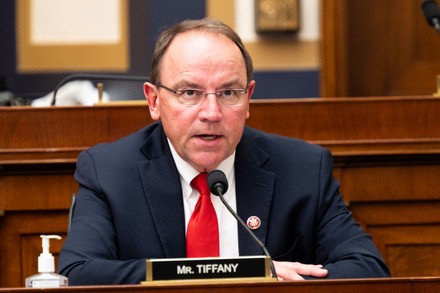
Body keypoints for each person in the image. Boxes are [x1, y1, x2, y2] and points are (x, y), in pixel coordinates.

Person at [58, 17, 390, 285]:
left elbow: (368, 269)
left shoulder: (303, 170)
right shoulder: (109, 172)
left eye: (229, 92)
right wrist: (243, 273)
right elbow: (78, 274)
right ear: (154, 101)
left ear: (248, 99)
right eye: (190, 92)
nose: (212, 113)